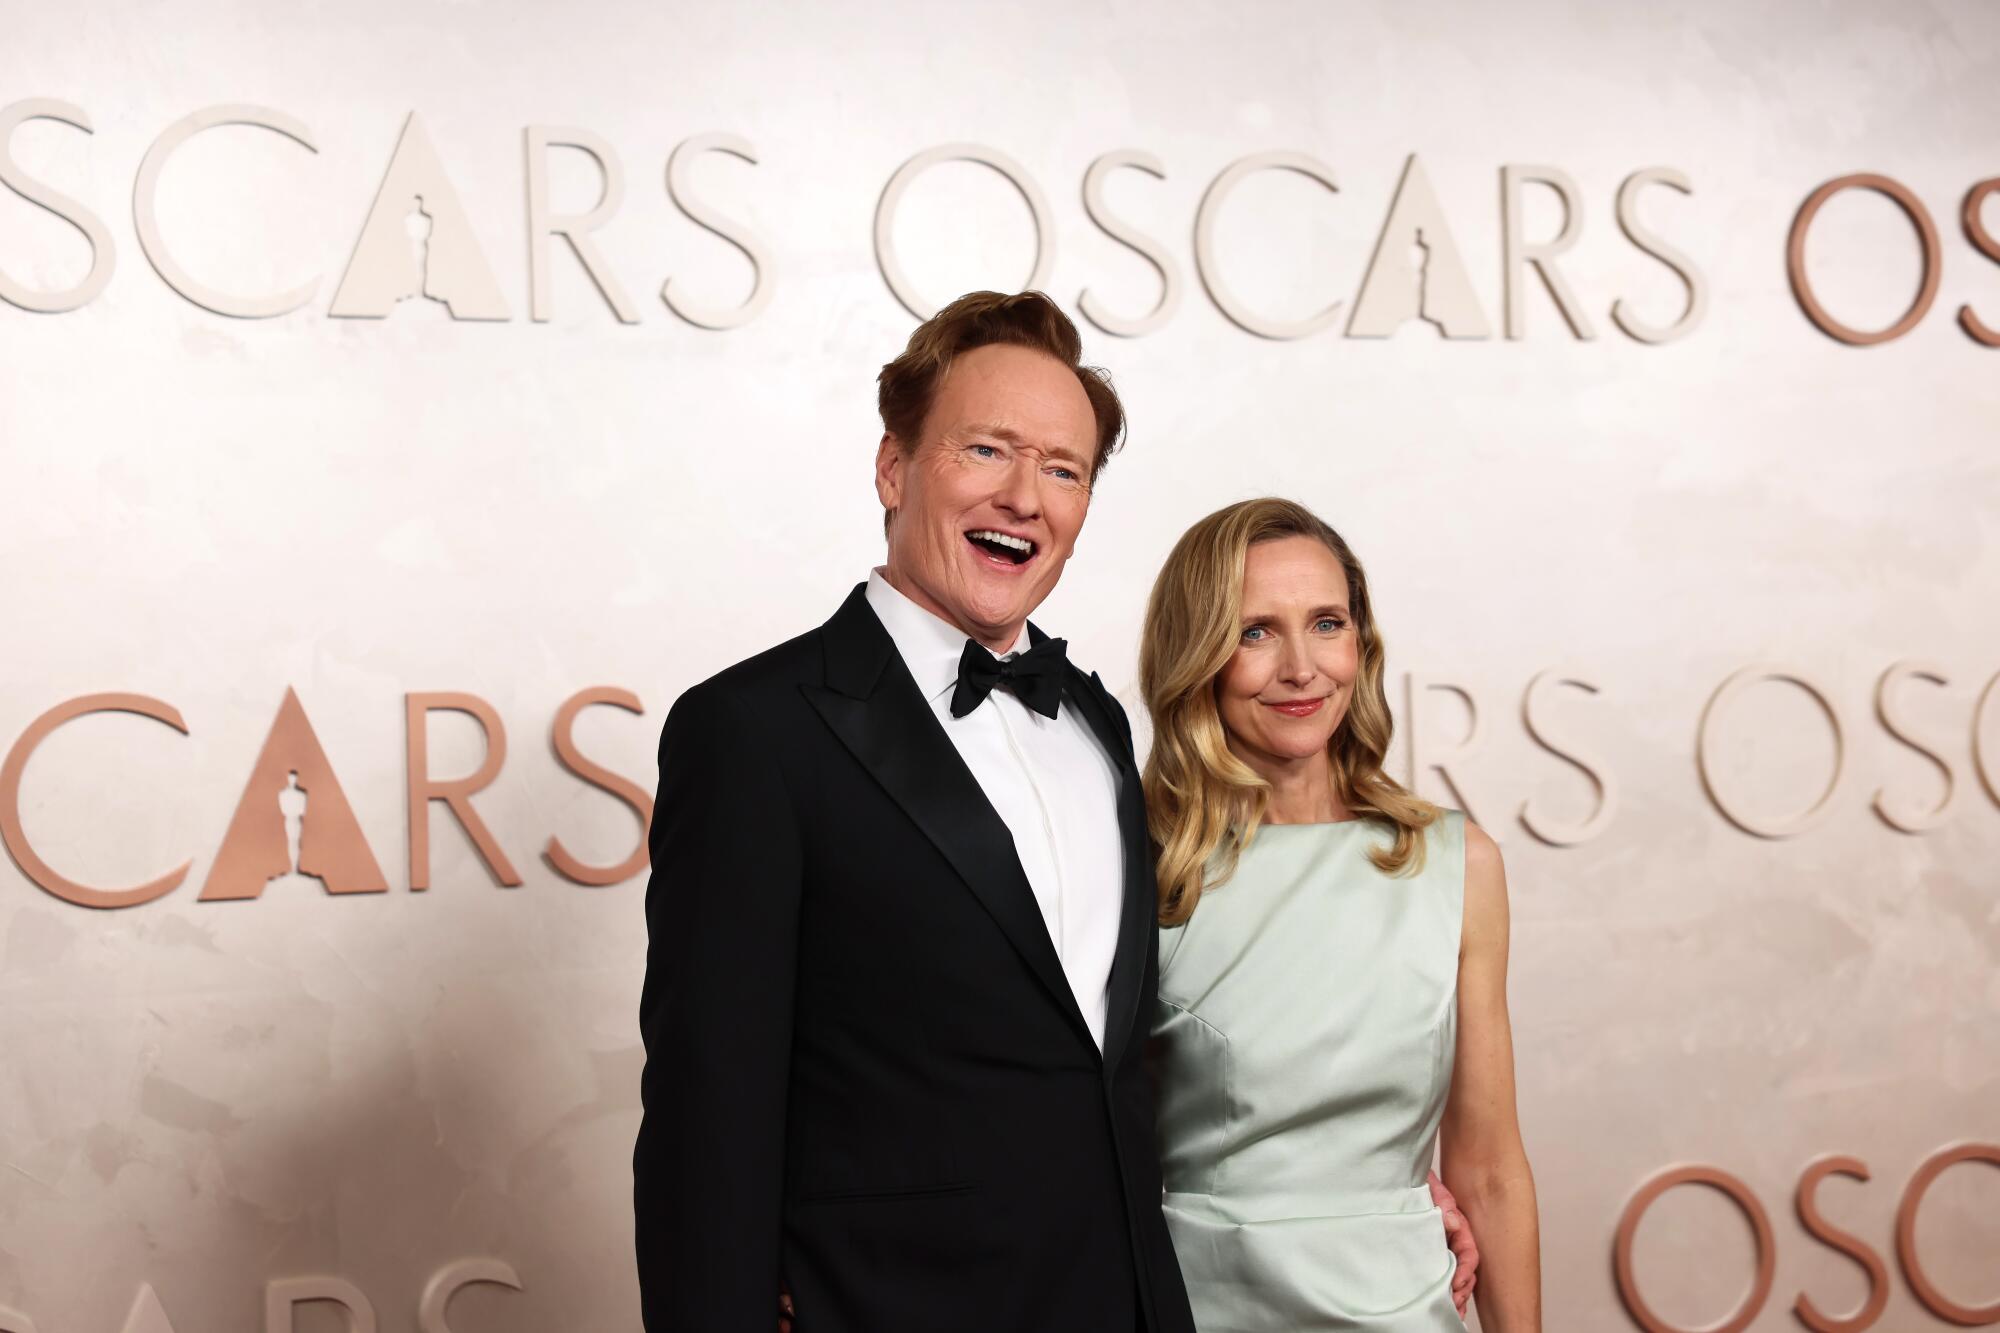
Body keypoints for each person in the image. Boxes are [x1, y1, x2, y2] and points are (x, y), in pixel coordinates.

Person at [634, 291, 1195, 1332]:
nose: (1025, 496)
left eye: (1062, 469)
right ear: (893, 467)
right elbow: (708, 1112)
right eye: (987, 450)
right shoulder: (754, 731)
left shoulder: (1095, 722)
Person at [1140, 498, 1541, 1331]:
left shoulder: (1455, 865)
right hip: (1196, 1310)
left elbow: (1490, 1169)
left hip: (1405, 1308)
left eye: (1327, 623)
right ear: (1198, 654)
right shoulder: (1142, 871)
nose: (1300, 667)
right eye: (1255, 631)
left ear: (1360, 644)